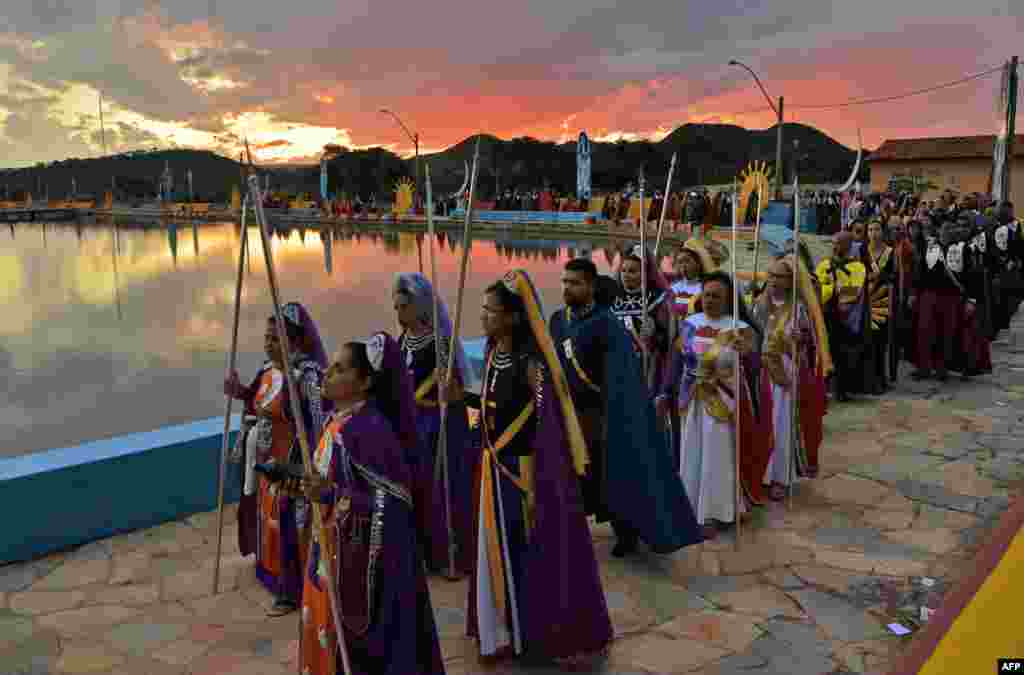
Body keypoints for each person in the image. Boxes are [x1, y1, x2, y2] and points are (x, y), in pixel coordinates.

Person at [468, 270, 613, 668]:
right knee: (494, 548)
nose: (483, 317)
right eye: (483, 309)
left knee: (521, 549)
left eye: (490, 311)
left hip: (521, 471)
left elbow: (545, 417)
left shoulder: (531, 365)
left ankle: (528, 631)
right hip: (492, 469)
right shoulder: (493, 353)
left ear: (513, 317)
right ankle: (498, 627)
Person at [299, 333, 445, 675]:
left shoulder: (370, 432)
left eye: (339, 369)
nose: (327, 374)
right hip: (330, 554)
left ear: (364, 382)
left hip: (368, 569)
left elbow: (391, 508)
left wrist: (332, 496)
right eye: (330, 367)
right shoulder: (335, 424)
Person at [550, 259, 703, 558]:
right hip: (570, 411)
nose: (568, 287)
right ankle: (571, 529)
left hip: (602, 411)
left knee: (611, 474)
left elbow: (622, 371)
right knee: (572, 475)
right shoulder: (558, 320)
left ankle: (626, 533)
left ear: (591, 286)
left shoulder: (607, 324)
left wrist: (618, 409)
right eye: (565, 281)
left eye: (575, 282)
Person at [224, 302, 330, 616]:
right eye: (267, 338)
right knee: (269, 518)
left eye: (274, 339)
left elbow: (318, 420)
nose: (268, 344)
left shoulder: (307, 377)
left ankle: (292, 590)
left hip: (295, 461)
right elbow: (257, 401)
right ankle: (271, 575)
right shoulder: (268, 372)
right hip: (268, 460)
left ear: (294, 340)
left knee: (291, 521)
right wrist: (240, 392)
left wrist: (310, 466)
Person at [660, 272, 769, 539]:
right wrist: (665, 390)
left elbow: (755, 370)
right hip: (691, 400)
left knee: (717, 455)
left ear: (729, 298)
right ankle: (689, 506)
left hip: (723, 400)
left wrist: (749, 353)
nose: (710, 300)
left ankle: (714, 511)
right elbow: (676, 361)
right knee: (691, 451)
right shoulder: (689, 323)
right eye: (707, 294)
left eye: (716, 296)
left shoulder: (740, 329)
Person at [392, 272, 477, 576]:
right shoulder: (403, 341)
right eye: (397, 307)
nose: (399, 313)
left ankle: (451, 554)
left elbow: (455, 390)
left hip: (437, 424)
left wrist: (446, 392)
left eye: (404, 307)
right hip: (413, 425)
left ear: (421, 306)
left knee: (444, 487)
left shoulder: (441, 342)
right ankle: (425, 551)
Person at [753, 258, 832, 500]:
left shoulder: (798, 308)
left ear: (790, 282)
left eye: (780, 277)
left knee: (781, 423)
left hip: (786, 373)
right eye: (772, 276)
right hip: (762, 370)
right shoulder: (758, 304)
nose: (774, 281)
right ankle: (760, 475)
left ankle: (780, 477)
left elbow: (809, 344)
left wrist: (801, 338)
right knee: (762, 422)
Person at [909, 221, 973, 381]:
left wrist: (970, 299)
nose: (947, 232)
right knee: (924, 332)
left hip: (950, 297)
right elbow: (920, 271)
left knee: (946, 334)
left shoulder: (962, 249)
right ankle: (923, 367)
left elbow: (971, 275)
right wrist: (914, 293)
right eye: (945, 229)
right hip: (928, 295)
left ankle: (941, 368)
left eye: (951, 229)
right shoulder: (930, 248)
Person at [816, 232, 869, 401]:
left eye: (837, 243)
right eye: (833, 243)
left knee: (843, 355)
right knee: (823, 351)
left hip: (845, 316)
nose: (834, 246)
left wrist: (832, 289)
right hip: (826, 314)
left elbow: (853, 291)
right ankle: (822, 388)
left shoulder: (857, 267)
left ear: (847, 245)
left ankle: (842, 390)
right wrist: (832, 289)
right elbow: (817, 288)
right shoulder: (824, 264)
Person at [611, 244, 671, 390]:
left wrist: (654, 331)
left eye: (632, 271)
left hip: (647, 366)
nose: (625, 275)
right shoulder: (611, 296)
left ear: (645, 273)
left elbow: (668, 340)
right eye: (623, 270)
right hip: (617, 366)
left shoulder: (657, 299)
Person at [865, 220, 895, 393]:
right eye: (870, 229)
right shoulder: (863, 250)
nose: (873, 233)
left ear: (882, 232)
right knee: (867, 341)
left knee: (880, 342)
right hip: (865, 300)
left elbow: (893, 275)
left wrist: (879, 275)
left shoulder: (889, 252)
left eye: (876, 229)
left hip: (882, 301)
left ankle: (879, 379)